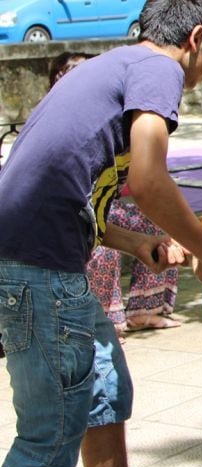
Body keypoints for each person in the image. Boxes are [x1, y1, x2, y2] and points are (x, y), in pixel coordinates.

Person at [0, 0, 202, 467]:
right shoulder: (159, 68)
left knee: (103, 390)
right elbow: (149, 181)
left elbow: (70, 192)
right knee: (48, 438)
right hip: (38, 267)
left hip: (37, 253)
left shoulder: (114, 66)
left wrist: (136, 244)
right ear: (197, 38)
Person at [48, 53, 182, 339]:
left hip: (104, 209)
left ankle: (144, 310)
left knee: (156, 226)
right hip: (68, 223)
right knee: (99, 245)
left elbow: (144, 183)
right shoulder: (63, 125)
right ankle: (105, 319)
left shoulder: (121, 122)